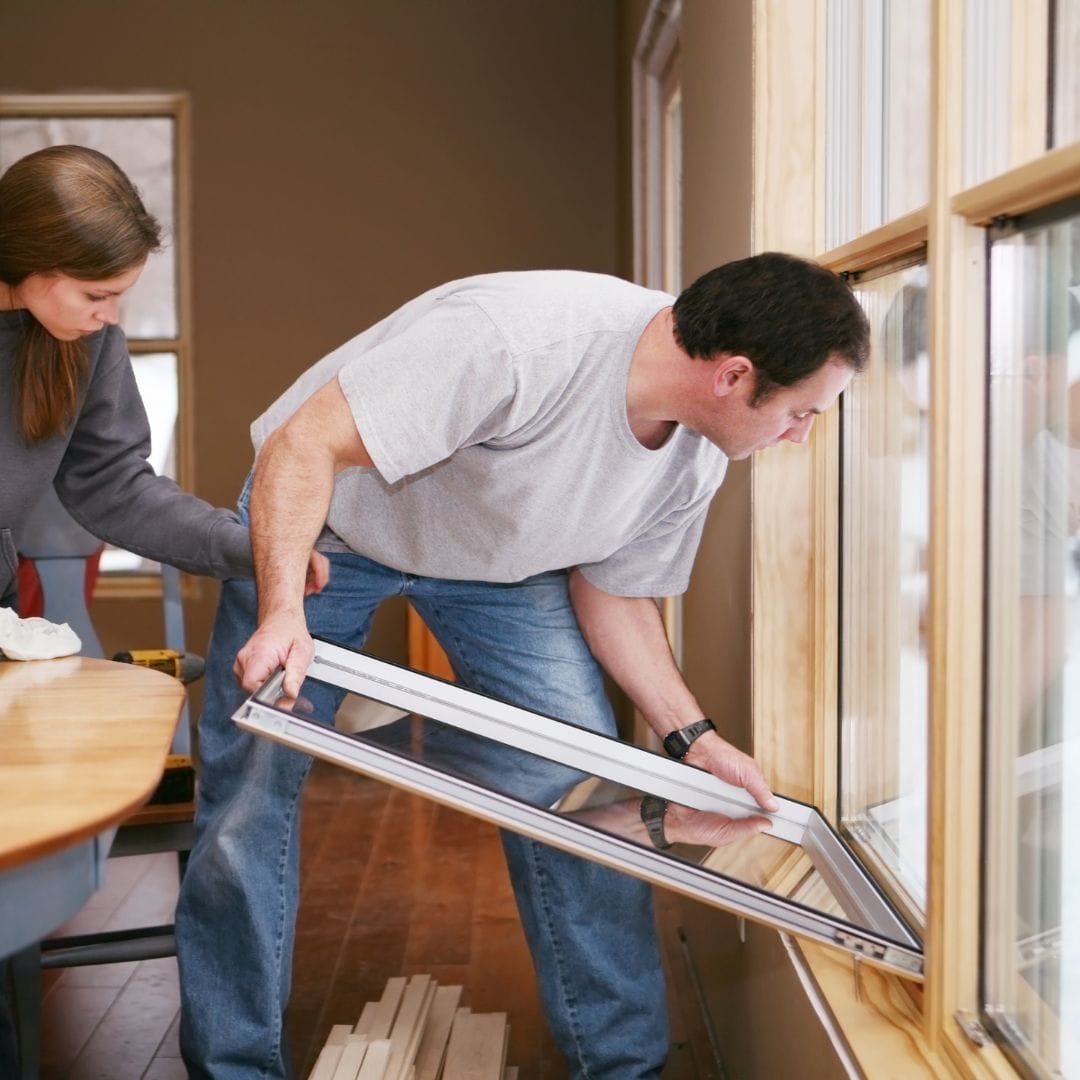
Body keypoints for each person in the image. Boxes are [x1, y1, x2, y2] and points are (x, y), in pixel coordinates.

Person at [177, 253, 870, 1079]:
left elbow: (614, 595)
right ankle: (235, 1068)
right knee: (251, 790)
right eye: (802, 412)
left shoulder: (697, 456)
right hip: (328, 528)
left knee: (582, 785)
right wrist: (284, 607)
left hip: (504, 567)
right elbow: (304, 443)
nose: (803, 433)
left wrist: (692, 738)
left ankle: (622, 1067)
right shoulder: (518, 341)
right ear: (734, 376)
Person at [0, 144, 326, 1074]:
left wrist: (262, 549)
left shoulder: (79, 343)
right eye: (98, 296)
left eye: (121, 299)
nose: (114, 319)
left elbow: (114, 487)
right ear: (25, 258)